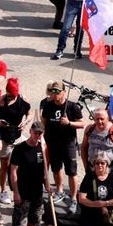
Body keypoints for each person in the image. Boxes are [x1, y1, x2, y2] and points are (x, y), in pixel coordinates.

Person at [41, 80, 87, 213]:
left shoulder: (72, 107)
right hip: (52, 142)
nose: (54, 94)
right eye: (53, 91)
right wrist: (41, 135)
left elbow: (82, 123)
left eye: (57, 92)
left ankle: (73, 198)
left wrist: (69, 123)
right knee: (56, 168)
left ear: (63, 92)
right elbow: (43, 122)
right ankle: (60, 190)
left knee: (71, 172)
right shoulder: (48, 105)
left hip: (68, 143)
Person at [9, 123, 50, 226]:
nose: (37, 136)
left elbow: (45, 171)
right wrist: (15, 192)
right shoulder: (20, 149)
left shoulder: (43, 149)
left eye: (40, 133)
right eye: (35, 132)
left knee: (34, 219)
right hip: (23, 191)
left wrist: (48, 186)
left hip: (37, 192)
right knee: (19, 223)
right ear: (30, 131)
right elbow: (13, 172)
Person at [0, 77, 31, 205]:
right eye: (9, 95)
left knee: (23, 161)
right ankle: (3, 190)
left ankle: (20, 187)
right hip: (4, 137)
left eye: (13, 96)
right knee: (5, 164)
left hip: (18, 136)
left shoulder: (22, 100)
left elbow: (30, 114)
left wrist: (25, 122)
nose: (11, 98)